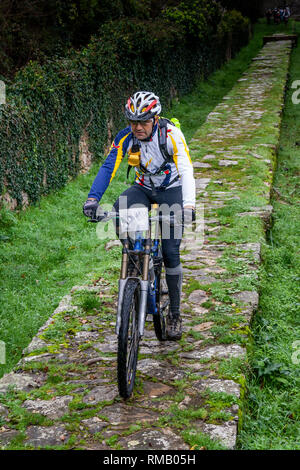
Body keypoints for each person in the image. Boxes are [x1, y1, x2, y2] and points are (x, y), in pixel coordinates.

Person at [83, 91, 196, 340]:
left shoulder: (170, 135)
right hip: (143, 188)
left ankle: (175, 315)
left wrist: (188, 207)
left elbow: (186, 169)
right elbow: (108, 166)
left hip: (172, 190)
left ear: (155, 119)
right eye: (133, 121)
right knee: (119, 209)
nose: (137, 127)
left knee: (170, 252)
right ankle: (135, 261)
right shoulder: (126, 137)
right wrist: (93, 200)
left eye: (143, 121)